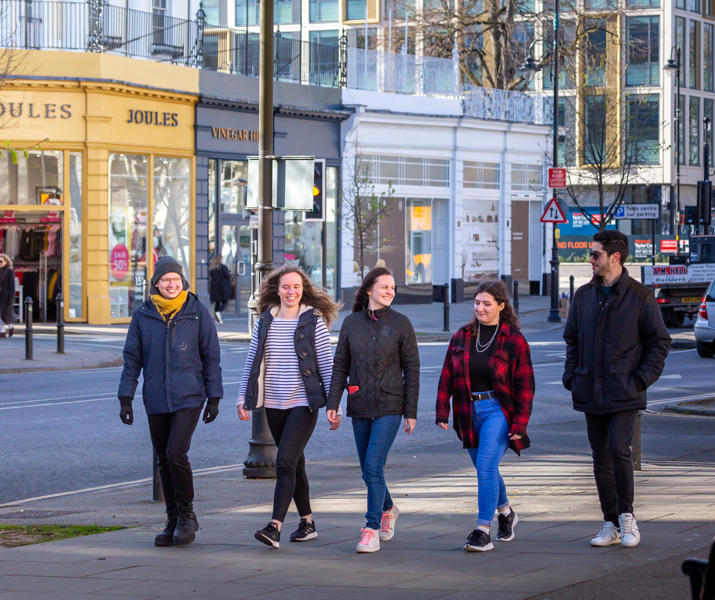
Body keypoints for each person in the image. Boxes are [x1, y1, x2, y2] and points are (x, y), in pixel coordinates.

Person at [563, 230, 670, 549]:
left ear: (615, 257)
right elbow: (572, 339)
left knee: (617, 449)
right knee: (599, 455)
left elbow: (659, 342)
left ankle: (627, 516)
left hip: (625, 391)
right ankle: (609, 521)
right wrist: (572, 375)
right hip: (589, 389)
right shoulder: (583, 296)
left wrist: (640, 379)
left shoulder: (639, 296)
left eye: (595, 254)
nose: (590, 260)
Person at [118, 256, 223, 547]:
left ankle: (188, 515)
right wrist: (125, 397)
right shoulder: (143, 315)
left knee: (176, 452)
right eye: (166, 280)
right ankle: (173, 518)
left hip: (189, 395)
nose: (171, 284)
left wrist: (214, 397)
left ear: (183, 282)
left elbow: (211, 358)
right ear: (156, 284)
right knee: (163, 459)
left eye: (176, 280)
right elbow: (132, 359)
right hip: (156, 397)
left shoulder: (197, 312)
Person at [238, 265, 338, 549]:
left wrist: (334, 404)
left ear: (303, 289)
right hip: (273, 402)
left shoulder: (312, 322)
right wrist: (242, 399)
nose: (291, 292)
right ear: (276, 290)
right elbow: (252, 362)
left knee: (284, 462)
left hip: (303, 402)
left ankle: (274, 526)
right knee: (296, 463)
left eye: (296, 287)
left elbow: (325, 365)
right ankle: (307, 523)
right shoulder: (265, 321)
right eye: (285, 287)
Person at [436, 279, 534, 552]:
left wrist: (520, 424)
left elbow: (526, 386)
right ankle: (506, 512)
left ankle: (482, 530)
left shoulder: (514, 340)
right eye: (477, 303)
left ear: (501, 306)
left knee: (487, 466)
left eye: (487, 304)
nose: (480, 308)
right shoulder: (462, 336)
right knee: (484, 468)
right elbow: (446, 374)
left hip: (498, 411)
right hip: (468, 411)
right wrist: (442, 409)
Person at [327, 267, 419, 553]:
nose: (390, 291)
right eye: (385, 286)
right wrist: (333, 403)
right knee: (368, 472)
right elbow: (340, 365)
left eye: (393, 287)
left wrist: (410, 411)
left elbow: (411, 369)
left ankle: (371, 528)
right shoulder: (352, 323)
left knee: (373, 466)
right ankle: (389, 507)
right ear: (369, 290)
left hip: (391, 404)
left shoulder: (402, 324)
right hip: (360, 404)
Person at [209, 253, 232, 323]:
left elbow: (211, 276)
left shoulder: (212, 268)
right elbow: (228, 276)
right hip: (222, 288)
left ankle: (218, 319)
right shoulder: (223, 267)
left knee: (217, 303)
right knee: (225, 301)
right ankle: (218, 312)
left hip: (215, 288)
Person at [0, 253, 15, 339]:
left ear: (6, 261)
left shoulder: (9, 271)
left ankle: (10, 326)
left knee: (6, 314)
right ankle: (2, 332)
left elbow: (12, 286)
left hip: (6, 296)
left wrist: (11, 298)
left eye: (1, 261)